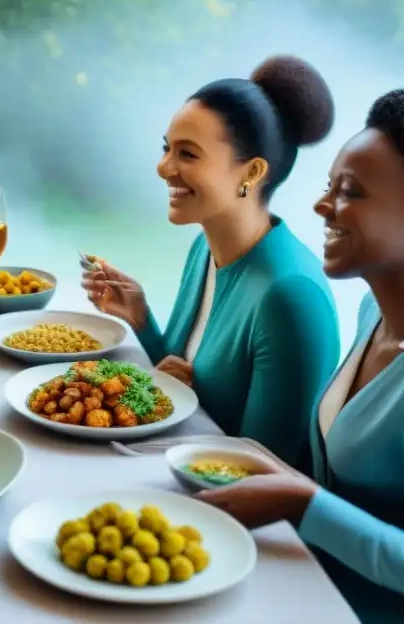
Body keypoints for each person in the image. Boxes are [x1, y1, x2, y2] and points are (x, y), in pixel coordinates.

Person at [197, 89, 404, 624]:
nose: (321, 206)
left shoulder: (292, 289)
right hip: (313, 590)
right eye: (329, 185)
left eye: (349, 193)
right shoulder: (372, 313)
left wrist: (303, 503)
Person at [81, 55, 340, 470]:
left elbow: (255, 469)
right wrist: (141, 319)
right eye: (167, 148)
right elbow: (182, 378)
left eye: (187, 154)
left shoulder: (291, 296)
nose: (164, 167)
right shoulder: (205, 248)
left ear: (252, 172)